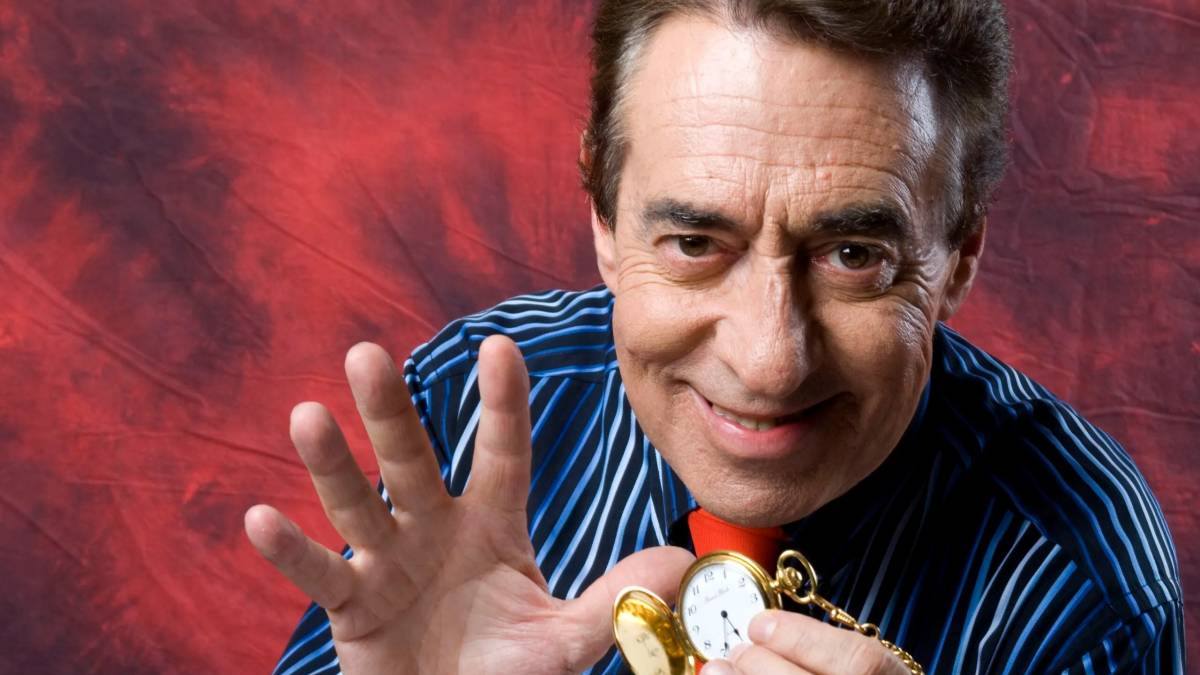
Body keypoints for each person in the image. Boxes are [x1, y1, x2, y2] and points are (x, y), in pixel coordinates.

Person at [243, 1, 1184, 673]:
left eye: (854, 254)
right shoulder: (470, 408)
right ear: (604, 214)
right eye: (696, 243)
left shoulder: (1084, 579)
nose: (768, 362)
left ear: (961, 252)